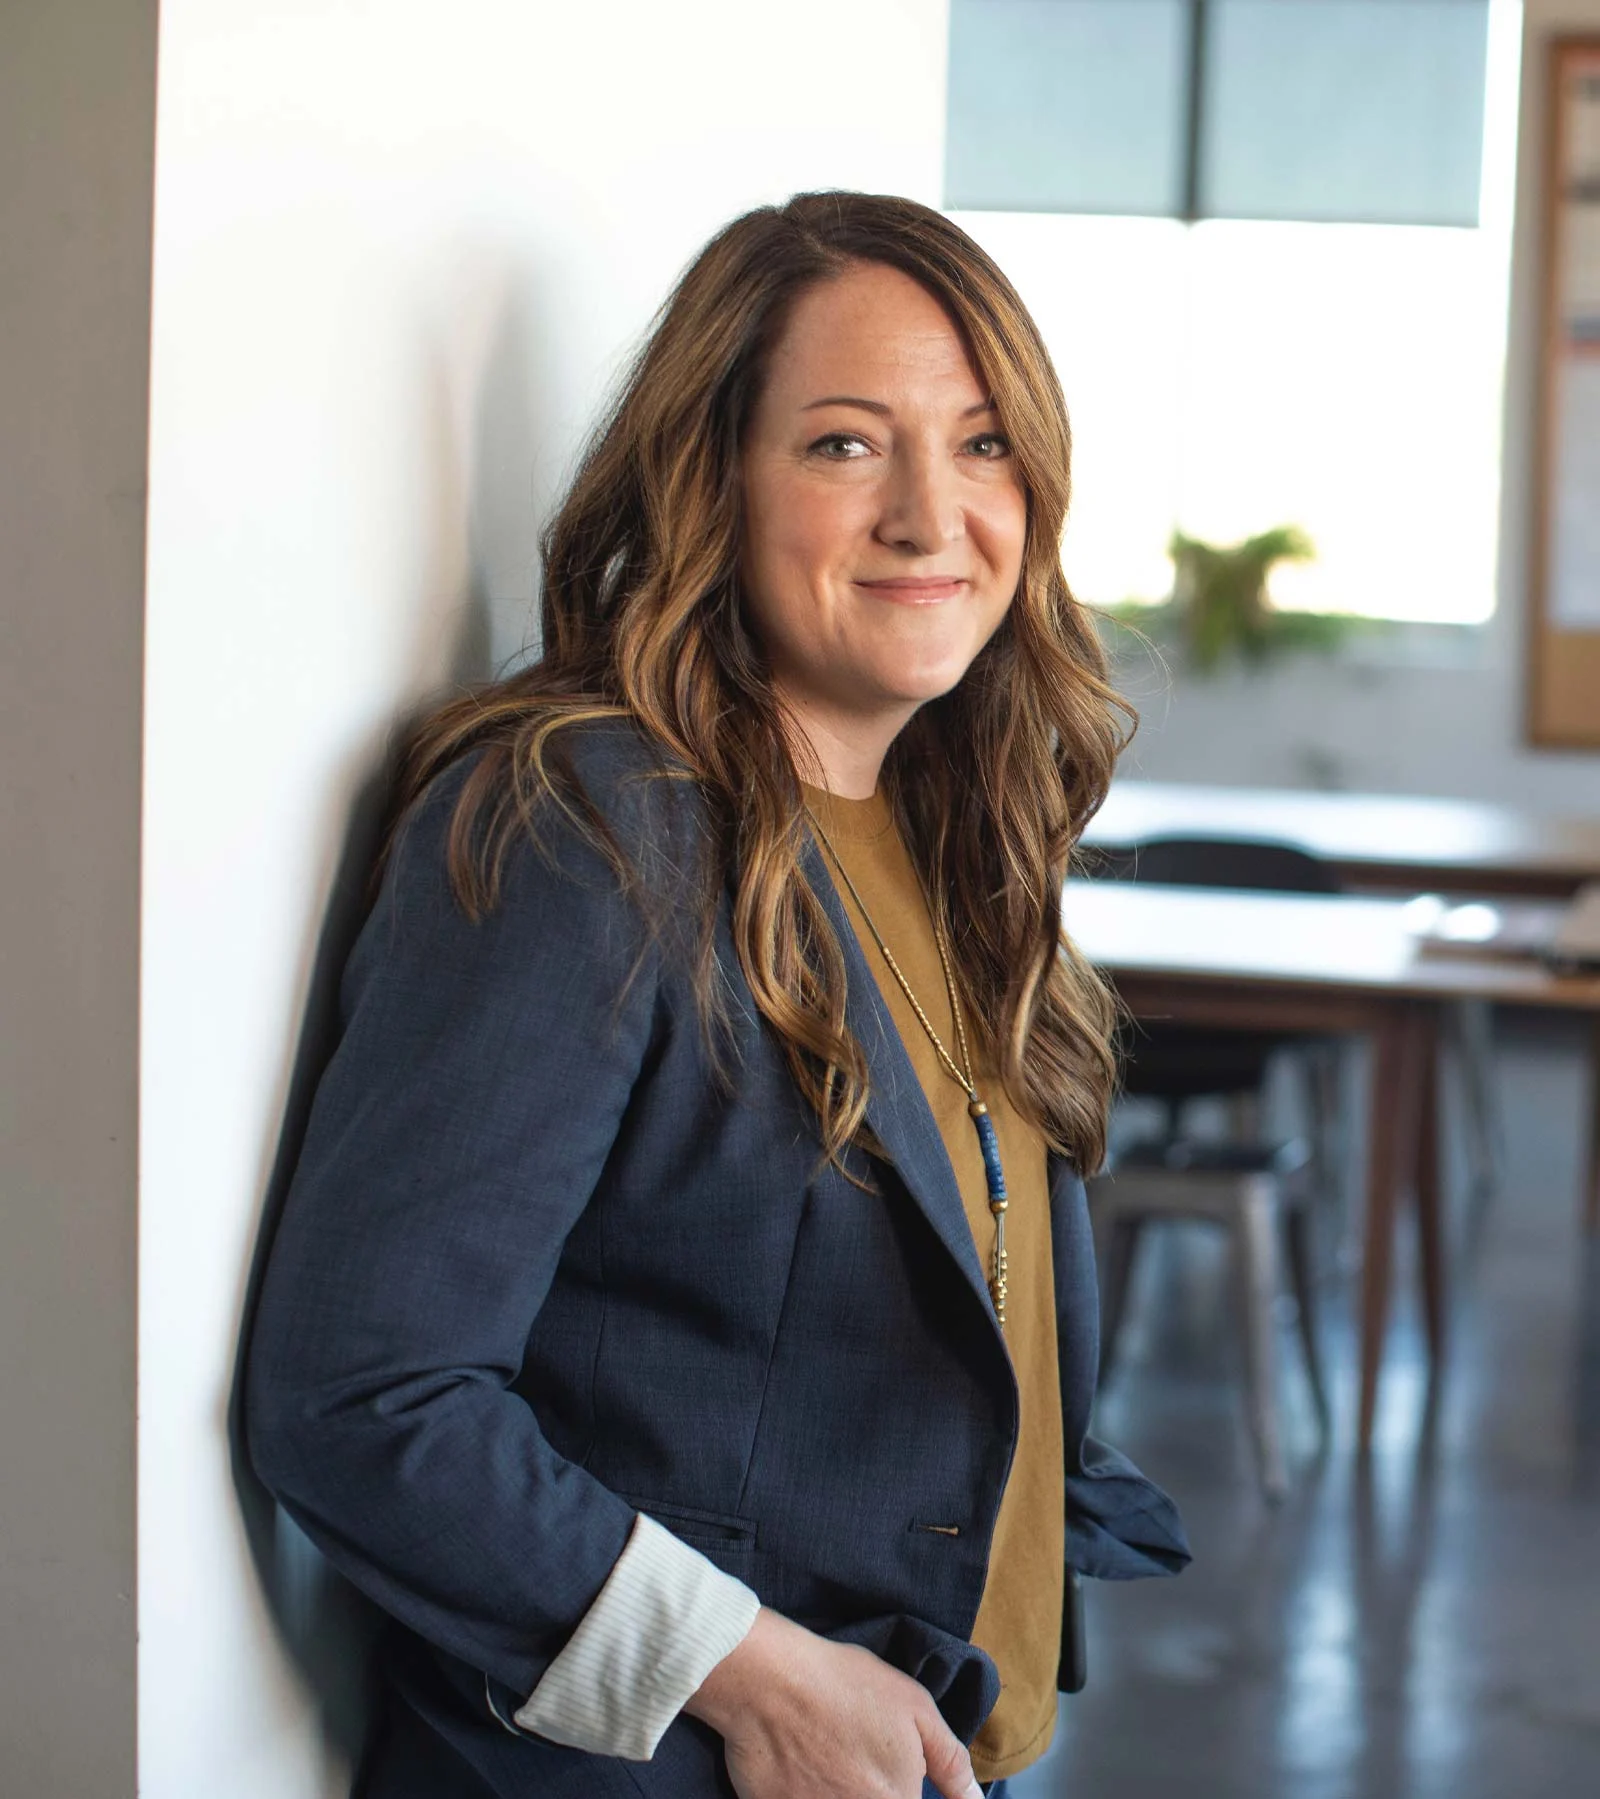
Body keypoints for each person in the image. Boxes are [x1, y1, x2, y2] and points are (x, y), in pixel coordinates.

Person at [246, 190, 1189, 1799]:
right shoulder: (592, 821)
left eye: (982, 445)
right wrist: (758, 1678)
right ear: (714, 478)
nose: (928, 513)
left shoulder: (955, 827)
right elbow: (363, 1392)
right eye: (843, 444)